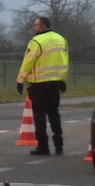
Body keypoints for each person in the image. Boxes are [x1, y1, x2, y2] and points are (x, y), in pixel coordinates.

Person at [16, 16, 69, 155]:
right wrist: (63, 80)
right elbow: (64, 61)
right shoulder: (61, 39)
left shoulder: (36, 41)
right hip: (55, 83)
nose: (34, 27)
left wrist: (20, 80)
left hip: (38, 84)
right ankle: (59, 145)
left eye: (36, 25)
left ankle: (43, 146)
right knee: (54, 114)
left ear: (43, 26)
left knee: (39, 115)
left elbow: (28, 62)